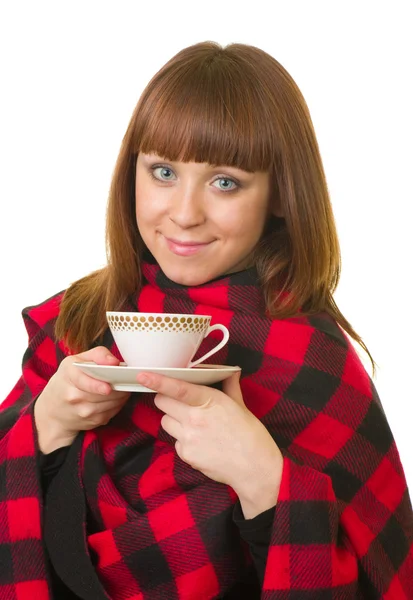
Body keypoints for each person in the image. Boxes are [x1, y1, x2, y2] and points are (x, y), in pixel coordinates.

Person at [0, 41, 412, 600]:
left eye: (225, 182)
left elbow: (378, 585)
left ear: (281, 195)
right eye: (163, 172)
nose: (185, 212)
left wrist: (266, 483)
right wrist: (44, 430)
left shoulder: (314, 367)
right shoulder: (76, 322)